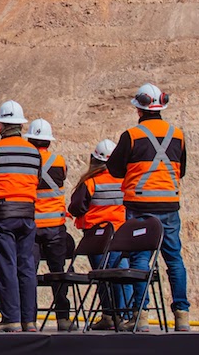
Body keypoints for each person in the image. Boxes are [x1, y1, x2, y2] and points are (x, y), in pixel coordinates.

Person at [107, 83, 190, 332]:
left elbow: (114, 169)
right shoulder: (178, 135)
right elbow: (181, 170)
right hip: (169, 206)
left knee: (140, 259)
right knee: (174, 259)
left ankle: (141, 315)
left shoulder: (131, 136)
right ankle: (182, 316)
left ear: (139, 109)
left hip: (140, 207)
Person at [69, 139, 131, 330]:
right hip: (122, 236)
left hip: (97, 238)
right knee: (123, 275)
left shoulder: (91, 182)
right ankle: (126, 317)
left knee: (103, 277)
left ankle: (109, 315)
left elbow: (76, 207)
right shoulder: (126, 180)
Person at [0, 100, 39, 333]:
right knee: (27, 266)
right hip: (28, 213)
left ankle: (11, 318)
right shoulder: (34, 152)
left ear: (1, 126)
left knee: (6, 266)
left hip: (4, 212)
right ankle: (29, 320)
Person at [25, 119, 71, 331]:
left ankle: (30, 319)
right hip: (55, 225)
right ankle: (63, 317)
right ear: (48, 142)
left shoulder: (26, 161)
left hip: (32, 226)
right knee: (58, 272)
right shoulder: (60, 161)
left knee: (28, 273)